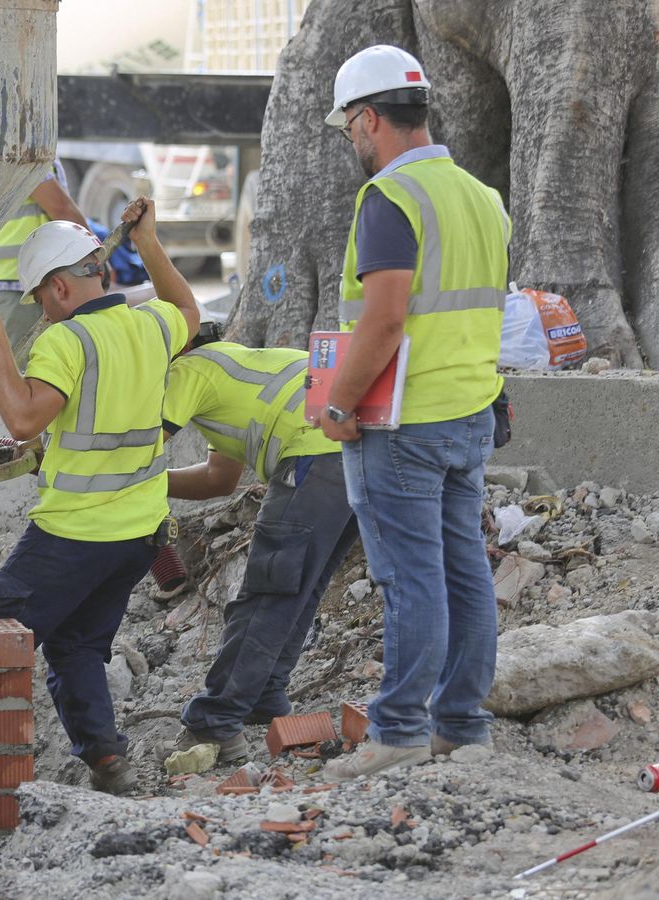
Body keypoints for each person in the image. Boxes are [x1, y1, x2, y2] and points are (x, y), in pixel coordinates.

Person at [316, 46, 511, 780]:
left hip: (401, 423)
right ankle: (462, 726)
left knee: (412, 580)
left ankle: (398, 731)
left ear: (370, 120)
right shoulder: (479, 196)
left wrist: (337, 401)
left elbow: (386, 317)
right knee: (464, 574)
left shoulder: (391, 199)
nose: (353, 145)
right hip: (469, 413)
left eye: (351, 131)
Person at [0, 198, 200, 795]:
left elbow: (21, 421)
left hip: (74, 535)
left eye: (39, 297)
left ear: (62, 289)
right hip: (139, 537)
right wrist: (147, 240)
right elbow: (188, 306)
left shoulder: (63, 343)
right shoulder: (152, 325)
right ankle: (108, 761)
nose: (39, 310)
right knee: (76, 647)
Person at [159, 331, 356, 764]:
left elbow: (139, 443)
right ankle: (265, 695)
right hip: (351, 454)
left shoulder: (186, 369)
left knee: (268, 589)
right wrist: (155, 483)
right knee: (299, 589)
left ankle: (214, 720)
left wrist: (98, 468)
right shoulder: (234, 373)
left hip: (313, 455)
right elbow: (219, 478)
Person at [0, 162, 88, 357]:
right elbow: (61, 209)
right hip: (27, 285)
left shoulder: (10, 149)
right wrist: (96, 259)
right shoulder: (24, 152)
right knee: (31, 370)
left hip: (21, 279)